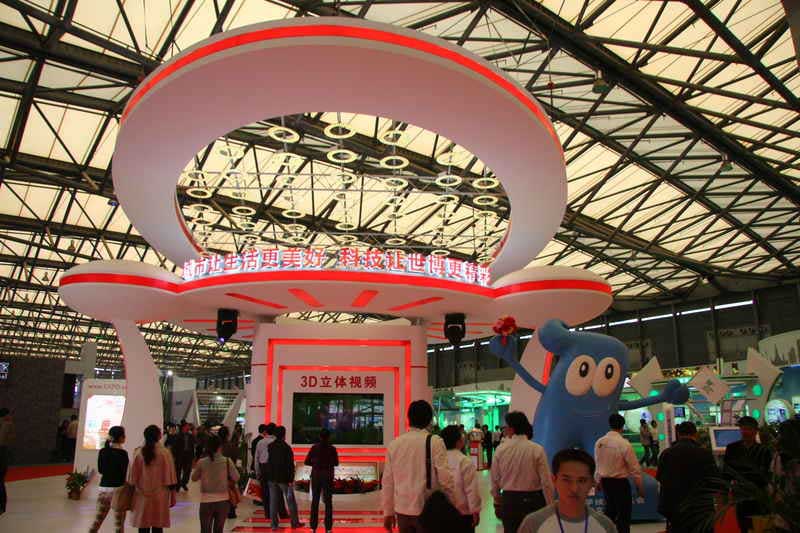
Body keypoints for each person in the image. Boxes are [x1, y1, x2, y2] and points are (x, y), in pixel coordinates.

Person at [382, 399, 457, 533]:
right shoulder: (435, 442)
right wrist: (453, 503)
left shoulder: (394, 444)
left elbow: (388, 482)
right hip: (427, 510)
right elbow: (445, 479)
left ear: (409, 419)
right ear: (429, 420)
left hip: (402, 511)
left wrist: (388, 512)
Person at [518, 449, 617, 533]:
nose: (574, 488)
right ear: (554, 480)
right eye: (566, 480)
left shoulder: (605, 526)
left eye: (582, 481)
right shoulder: (533, 524)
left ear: (592, 483)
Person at [490, 411, 554, 533]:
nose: (505, 430)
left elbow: (495, 479)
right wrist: (550, 505)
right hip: (534, 501)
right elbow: (546, 482)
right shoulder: (537, 449)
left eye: (506, 427)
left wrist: (497, 501)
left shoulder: (500, 450)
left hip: (509, 500)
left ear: (512, 429)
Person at [656, 421, 718, 533]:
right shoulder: (705, 454)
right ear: (695, 434)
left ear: (678, 434)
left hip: (674, 508)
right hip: (700, 508)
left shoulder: (666, 453)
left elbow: (660, 478)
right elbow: (714, 481)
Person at [594, 413, 643, 533]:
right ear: (623, 426)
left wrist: (597, 481)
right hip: (620, 483)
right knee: (624, 514)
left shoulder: (600, 442)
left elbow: (598, 463)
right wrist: (639, 486)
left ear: (609, 425)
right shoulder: (624, 444)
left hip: (606, 482)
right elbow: (635, 469)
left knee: (609, 512)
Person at [723, 415, 773, 533]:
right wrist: (725, 492)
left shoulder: (764, 450)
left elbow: (768, 475)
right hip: (740, 492)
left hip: (759, 493)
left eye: (749, 429)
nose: (745, 432)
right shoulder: (732, 448)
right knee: (743, 523)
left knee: (760, 525)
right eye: (743, 429)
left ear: (755, 431)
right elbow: (727, 471)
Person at [129, 424, 177, 533]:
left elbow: (132, 478)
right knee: (158, 526)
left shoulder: (138, 453)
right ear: (159, 436)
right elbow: (171, 478)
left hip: (141, 495)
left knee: (143, 526)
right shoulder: (165, 453)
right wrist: (173, 496)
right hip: (160, 495)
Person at [192, 434, 239, 533]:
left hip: (206, 500)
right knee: (219, 529)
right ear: (220, 446)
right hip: (223, 500)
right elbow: (236, 477)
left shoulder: (202, 462)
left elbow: (194, 478)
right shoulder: (227, 461)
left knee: (205, 530)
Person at [440, 425, 481, 532]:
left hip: (442, 512)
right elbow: (471, 489)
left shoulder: (438, 459)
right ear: (458, 441)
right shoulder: (464, 461)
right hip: (463, 513)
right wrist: (475, 511)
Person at [90, 426, 129, 533]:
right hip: (118, 491)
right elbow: (123, 474)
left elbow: (101, 470)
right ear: (120, 438)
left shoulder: (103, 451)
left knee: (96, 522)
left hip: (103, 489)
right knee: (118, 526)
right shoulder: (123, 454)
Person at [266, 426, 304, 530]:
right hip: (284, 479)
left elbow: (269, 462)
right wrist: (291, 479)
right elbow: (290, 465)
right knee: (290, 501)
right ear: (284, 435)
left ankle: (274, 525)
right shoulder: (286, 447)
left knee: (273, 502)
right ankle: (295, 523)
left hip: (272, 477)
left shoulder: (270, 446)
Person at [304, 428, 339, 533]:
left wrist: (315, 464)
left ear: (319, 436)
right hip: (328, 476)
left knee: (315, 501)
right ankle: (328, 528)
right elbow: (336, 463)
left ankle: (313, 527)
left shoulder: (314, 448)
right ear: (329, 437)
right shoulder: (332, 448)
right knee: (328, 502)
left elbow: (306, 461)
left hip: (316, 475)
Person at [255, 423, 289, 521]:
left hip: (263, 468)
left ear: (266, 431)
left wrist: (257, 472)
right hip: (274, 468)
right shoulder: (277, 442)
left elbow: (256, 458)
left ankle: (268, 514)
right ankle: (282, 513)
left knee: (265, 493)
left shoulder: (260, 442)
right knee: (278, 492)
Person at [218, 426, 239, 519]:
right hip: (229, 472)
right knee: (230, 491)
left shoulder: (216, 446)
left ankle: (220, 511)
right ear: (228, 435)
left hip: (217, 473)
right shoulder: (231, 446)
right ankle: (231, 510)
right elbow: (235, 458)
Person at [169, 422, 195, 492]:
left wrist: (193, 456)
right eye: (187, 426)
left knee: (187, 471)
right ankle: (178, 484)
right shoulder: (177, 435)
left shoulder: (191, 436)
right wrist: (174, 455)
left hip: (188, 455)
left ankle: (184, 483)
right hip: (179, 456)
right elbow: (174, 447)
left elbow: (192, 446)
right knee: (178, 470)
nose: (189, 427)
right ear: (183, 427)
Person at [0, 408, 14, 515]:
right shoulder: (6, 424)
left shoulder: (7, 425)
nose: (10, 416)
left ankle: (2, 506)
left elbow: (1, 440)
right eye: (9, 414)